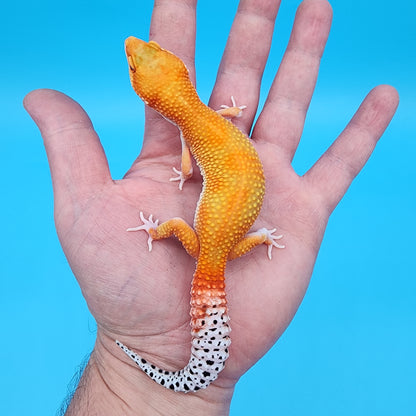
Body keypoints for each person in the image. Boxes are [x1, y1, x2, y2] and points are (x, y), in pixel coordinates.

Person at [24, 0, 398, 414]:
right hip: (228, 226)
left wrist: (161, 225)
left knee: (191, 232)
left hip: (229, 240)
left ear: (154, 96)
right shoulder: (203, 115)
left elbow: (187, 164)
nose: (134, 49)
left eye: (143, 60)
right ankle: (244, 245)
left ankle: (208, 241)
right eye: (136, 65)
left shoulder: (187, 126)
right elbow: (217, 125)